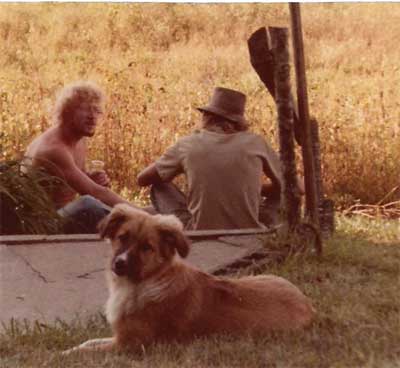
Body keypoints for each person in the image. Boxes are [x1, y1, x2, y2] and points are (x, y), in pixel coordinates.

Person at [137, 86, 287, 230]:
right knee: (283, 193)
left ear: (207, 117)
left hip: (199, 230)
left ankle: (185, 226)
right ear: (239, 122)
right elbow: (296, 187)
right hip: (250, 228)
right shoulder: (256, 142)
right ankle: (266, 224)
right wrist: (252, 188)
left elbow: (142, 179)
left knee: (160, 187)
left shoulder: (187, 144)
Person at [23, 81, 144, 233]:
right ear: (67, 112)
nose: (92, 117)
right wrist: (145, 216)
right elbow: (95, 192)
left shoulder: (78, 139)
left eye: (96, 111)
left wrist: (88, 178)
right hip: (40, 226)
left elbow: (75, 184)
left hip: (60, 215)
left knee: (101, 206)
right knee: (88, 205)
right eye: (85, 109)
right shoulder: (54, 149)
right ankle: (148, 226)